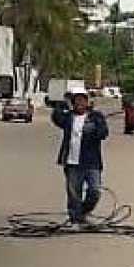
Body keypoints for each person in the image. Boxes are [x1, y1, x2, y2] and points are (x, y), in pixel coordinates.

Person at [51, 86, 109, 230]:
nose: (80, 103)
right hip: (72, 161)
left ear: (88, 102)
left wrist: (94, 129)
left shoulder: (96, 117)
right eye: (77, 100)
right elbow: (56, 117)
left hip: (92, 162)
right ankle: (75, 220)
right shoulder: (68, 118)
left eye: (83, 100)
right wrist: (63, 102)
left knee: (95, 191)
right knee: (74, 193)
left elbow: (104, 133)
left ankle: (83, 212)